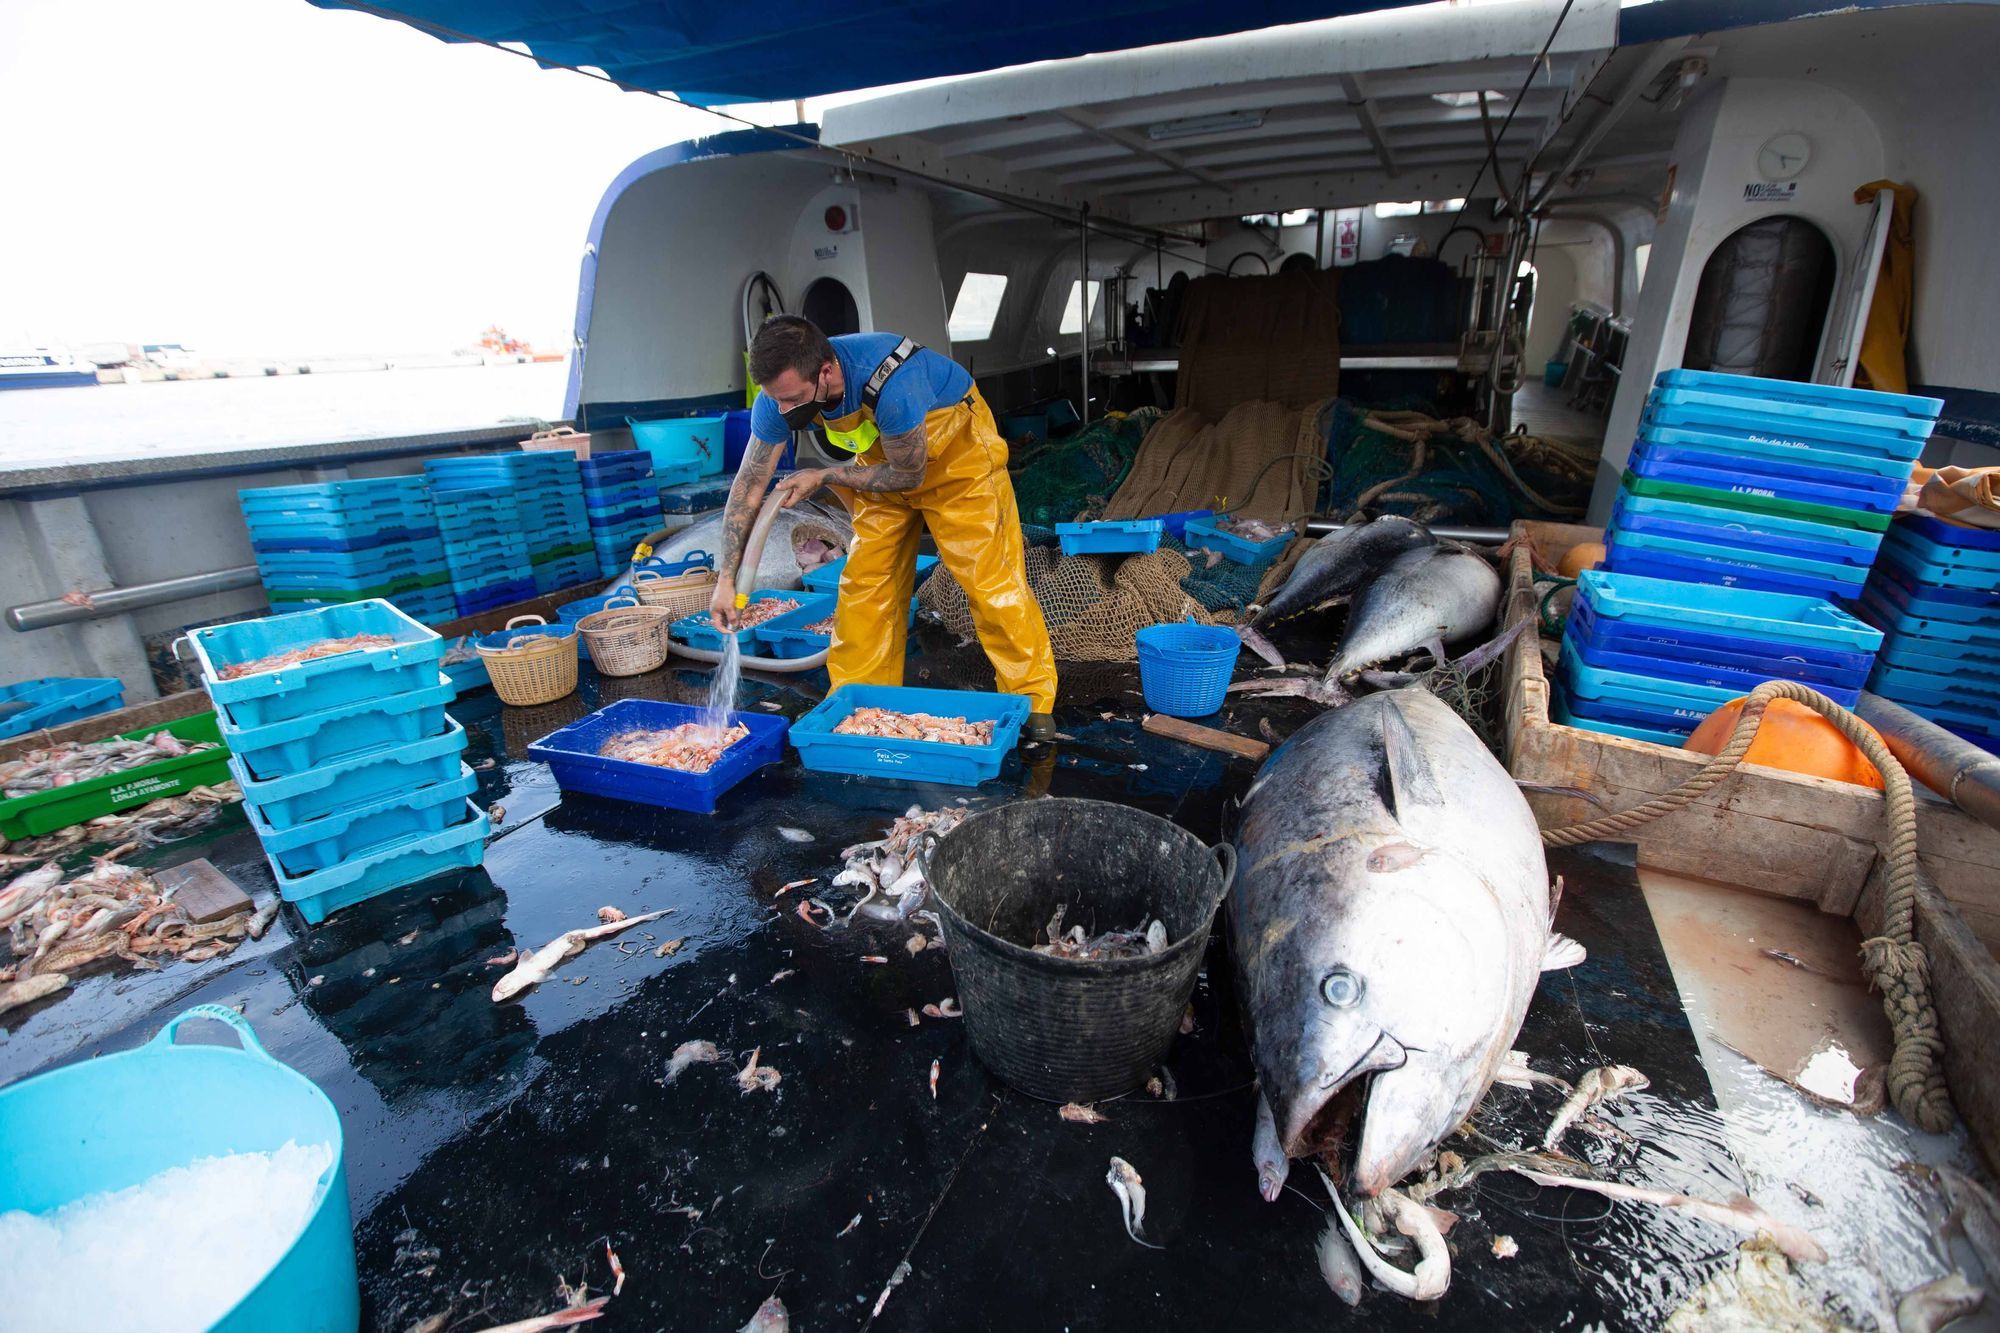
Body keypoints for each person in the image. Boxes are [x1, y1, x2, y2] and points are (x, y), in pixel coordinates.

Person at [707, 316, 1059, 740]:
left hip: (956, 459)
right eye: (775, 401)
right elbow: (748, 486)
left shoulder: (895, 381)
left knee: (989, 581)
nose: (782, 411)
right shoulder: (780, 395)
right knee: (865, 584)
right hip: (880, 465)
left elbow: (909, 476)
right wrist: (726, 579)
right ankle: (860, 704)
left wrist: (826, 476)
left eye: (792, 400)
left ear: (826, 372)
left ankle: (1032, 700)